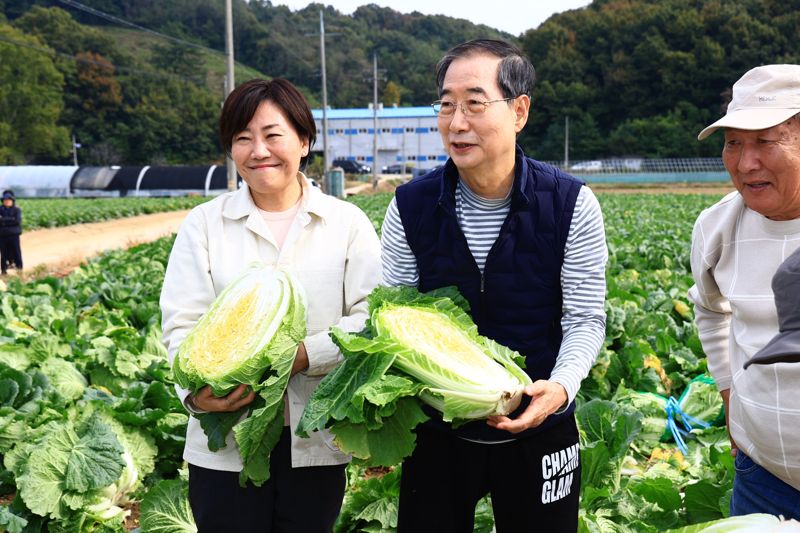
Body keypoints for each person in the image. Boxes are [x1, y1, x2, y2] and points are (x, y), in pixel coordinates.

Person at [380, 39, 608, 532]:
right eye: (446, 105)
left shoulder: (570, 204)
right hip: (437, 430)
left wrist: (561, 388)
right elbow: (390, 319)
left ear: (519, 110)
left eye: (475, 104)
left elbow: (586, 319)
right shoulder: (409, 207)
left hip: (541, 423)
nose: (456, 122)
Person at [160, 78, 382, 532]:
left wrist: (303, 356)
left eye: (272, 135)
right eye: (242, 139)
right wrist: (196, 396)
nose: (258, 150)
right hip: (223, 447)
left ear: (303, 141)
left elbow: (369, 320)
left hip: (315, 438)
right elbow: (181, 324)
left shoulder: (347, 224)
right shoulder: (204, 225)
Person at [689, 64, 800, 519]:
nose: (745, 161)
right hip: (762, 479)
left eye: (765, 141)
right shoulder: (717, 226)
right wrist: (729, 389)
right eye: (733, 142)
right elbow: (709, 309)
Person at [0, 190, 22, 275]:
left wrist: (3, 220)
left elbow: (17, 221)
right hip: (2, 234)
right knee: (3, 252)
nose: (7, 202)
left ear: (12, 201)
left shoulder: (17, 210)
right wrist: (10, 219)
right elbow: (13, 221)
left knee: (16, 251)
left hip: (14, 234)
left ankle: (19, 268)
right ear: (3, 201)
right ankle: (4, 270)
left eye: (9, 200)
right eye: (5, 200)